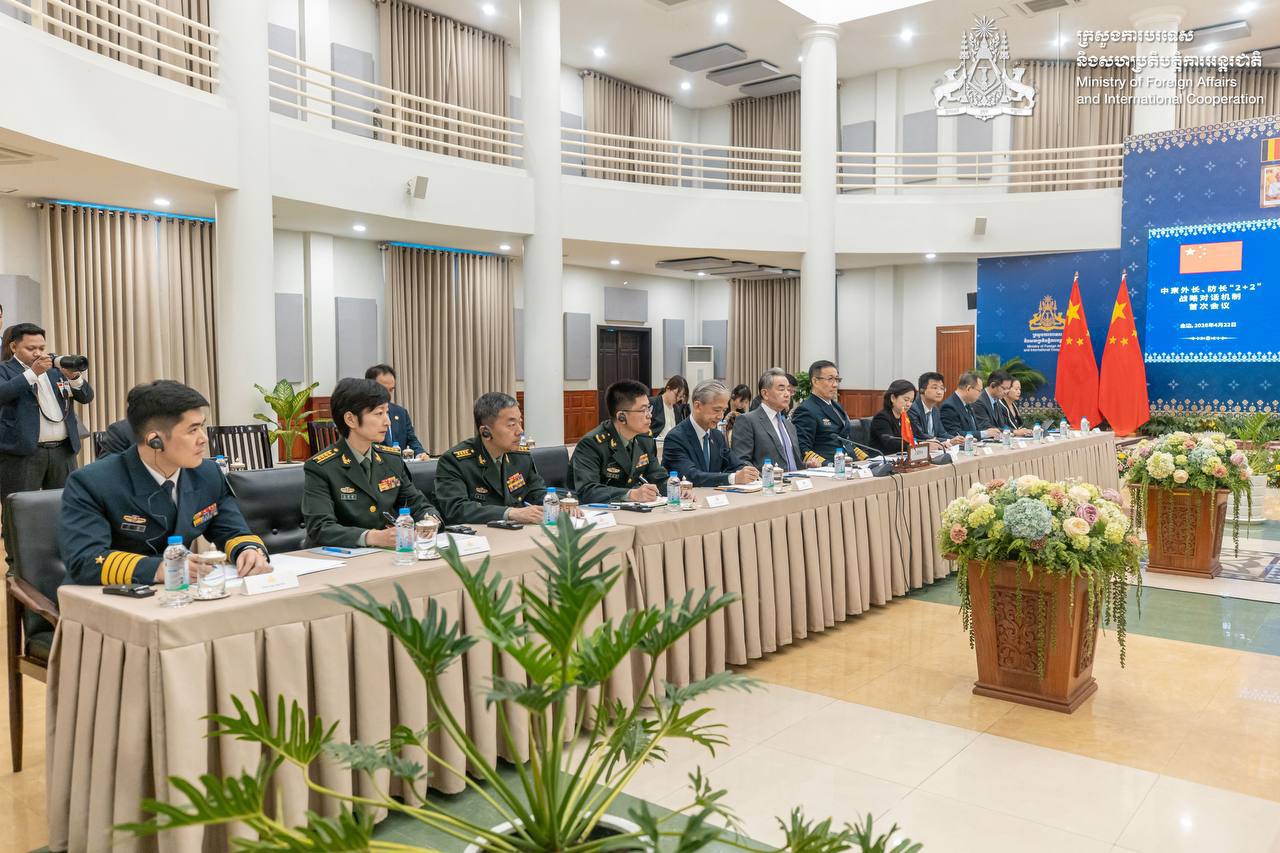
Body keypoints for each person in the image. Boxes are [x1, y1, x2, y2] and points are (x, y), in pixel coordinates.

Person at [58, 380, 270, 585]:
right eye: (192, 430)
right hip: (113, 595)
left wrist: (248, 550)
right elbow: (85, 559)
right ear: (155, 441)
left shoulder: (208, 474)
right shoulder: (92, 482)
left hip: (183, 593)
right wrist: (160, 568)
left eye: (202, 427)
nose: (204, 438)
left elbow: (232, 530)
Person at [302, 377, 440, 548]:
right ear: (350, 419)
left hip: (386, 554)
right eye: (379, 413)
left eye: (387, 412)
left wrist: (429, 520)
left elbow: (418, 504)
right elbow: (320, 528)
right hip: (341, 557)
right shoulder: (321, 467)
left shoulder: (391, 460)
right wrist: (372, 537)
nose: (388, 422)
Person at [0, 323, 94, 566]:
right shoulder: (5, 370)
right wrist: (32, 373)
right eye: (31, 348)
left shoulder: (55, 370)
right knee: (17, 511)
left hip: (63, 450)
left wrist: (73, 377)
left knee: (67, 506)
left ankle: (67, 560)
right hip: (22, 454)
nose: (39, 353)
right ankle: (17, 567)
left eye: (42, 347)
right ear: (14, 347)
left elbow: (86, 396)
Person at [434, 392, 549, 525]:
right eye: (511, 425)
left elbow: (536, 492)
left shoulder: (520, 456)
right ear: (486, 432)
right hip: (480, 534)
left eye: (520, 422)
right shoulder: (455, 461)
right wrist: (510, 513)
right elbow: (457, 509)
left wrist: (555, 504)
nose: (520, 431)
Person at [572, 379, 668, 504]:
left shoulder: (644, 439)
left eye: (649, 408)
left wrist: (677, 487)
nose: (649, 415)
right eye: (642, 410)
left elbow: (657, 476)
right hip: (594, 511)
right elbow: (588, 490)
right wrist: (631, 494)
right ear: (621, 417)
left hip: (629, 509)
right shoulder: (592, 444)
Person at [660, 380, 759, 487]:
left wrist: (748, 472)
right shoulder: (675, 438)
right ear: (698, 406)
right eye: (716, 410)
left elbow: (735, 464)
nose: (720, 416)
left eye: (724, 410)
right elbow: (691, 476)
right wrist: (733, 478)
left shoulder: (717, 436)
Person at [731, 367, 814, 471]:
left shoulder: (789, 425)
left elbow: (792, 464)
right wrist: (766, 477)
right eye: (781, 389)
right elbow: (741, 462)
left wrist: (806, 466)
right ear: (765, 394)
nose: (787, 394)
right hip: (766, 480)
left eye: (789, 390)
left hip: (795, 479)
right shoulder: (747, 421)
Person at [791, 360, 852, 465]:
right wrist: (828, 465)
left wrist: (866, 459)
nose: (835, 384)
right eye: (830, 379)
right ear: (815, 381)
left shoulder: (837, 406)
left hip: (848, 462)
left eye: (837, 379)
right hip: (828, 466)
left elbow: (847, 441)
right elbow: (803, 448)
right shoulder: (806, 409)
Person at [365, 364, 429, 459]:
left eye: (391, 390)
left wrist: (420, 454)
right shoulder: (363, 414)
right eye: (383, 389)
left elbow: (411, 440)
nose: (388, 395)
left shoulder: (400, 412)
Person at [869, 380, 942, 455]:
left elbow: (919, 435)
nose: (908, 404)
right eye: (906, 400)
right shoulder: (881, 418)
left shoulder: (906, 417)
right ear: (893, 398)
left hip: (901, 457)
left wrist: (938, 442)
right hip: (882, 458)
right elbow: (890, 443)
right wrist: (918, 444)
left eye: (911, 401)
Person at [909, 372, 962, 446]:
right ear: (922, 390)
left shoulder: (935, 410)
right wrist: (949, 441)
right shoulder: (912, 408)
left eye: (942, 388)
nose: (939, 392)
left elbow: (942, 433)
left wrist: (957, 440)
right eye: (935, 388)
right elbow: (920, 435)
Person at [972, 369, 1026, 436]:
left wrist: (1016, 431)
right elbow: (986, 427)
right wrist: (1014, 432)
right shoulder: (979, 401)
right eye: (1004, 388)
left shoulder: (997, 401)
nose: (1006, 392)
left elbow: (1002, 425)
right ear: (993, 385)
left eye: (1008, 388)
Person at [940, 371, 984, 439]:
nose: (980, 394)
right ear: (968, 388)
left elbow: (974, 429)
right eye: (979, 391)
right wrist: (984, 434)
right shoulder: (949, 406)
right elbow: (954, 433)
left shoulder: (968, 403)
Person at [649, 375, 689, 440]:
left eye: (680, 397)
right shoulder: (653, 403)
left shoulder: (677, 409)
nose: (677, 399)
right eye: (676, 395)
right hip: (656, 443)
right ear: (668, 389)